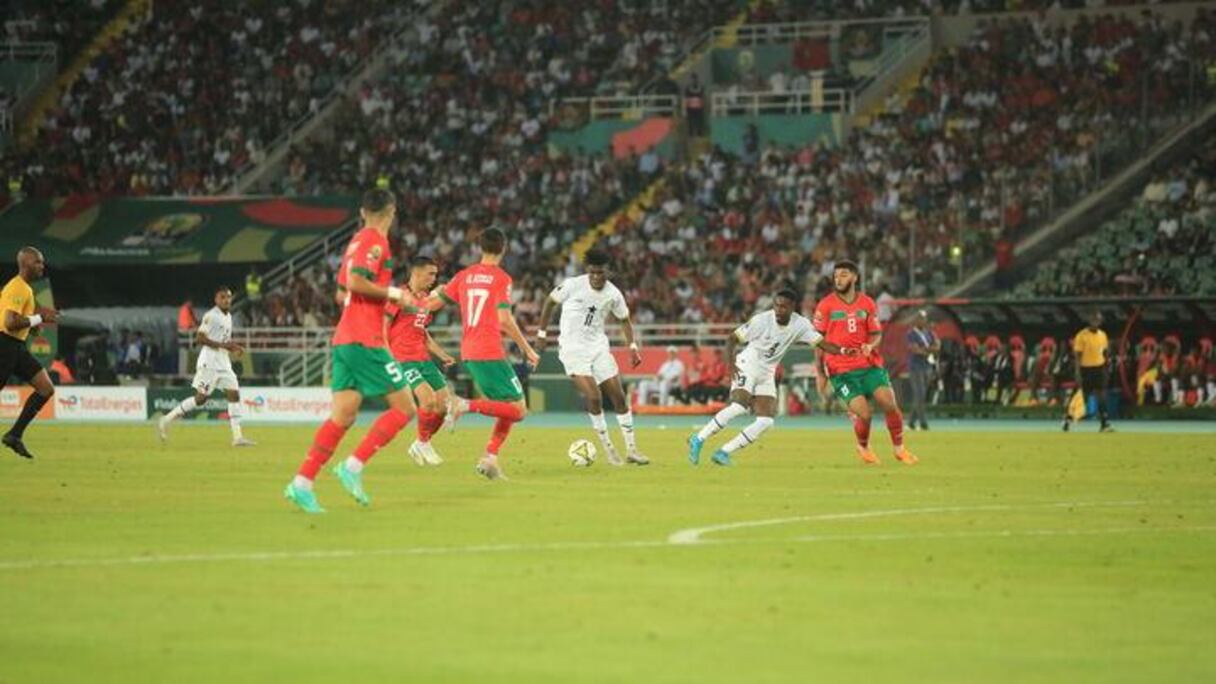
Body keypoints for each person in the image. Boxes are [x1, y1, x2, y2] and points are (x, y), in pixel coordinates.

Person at [284, 188, 417, 513]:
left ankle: (302, 483)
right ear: (391, 212)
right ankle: (352, 466)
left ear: (361, 212)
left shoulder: (356, 241)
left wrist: (369, 301)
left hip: (346, 337)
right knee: (405, 408)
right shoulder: (375, 241)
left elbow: (342, 292)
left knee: (343, 414)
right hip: (363, 339)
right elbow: (356, 284)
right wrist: (395, 295)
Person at [688, 289, 852, 466]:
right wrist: (731, 365)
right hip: (748, 364)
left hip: (767, 371)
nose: (779, 310)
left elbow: (822, 343)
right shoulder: (761, 320)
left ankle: (723, 452)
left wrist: (843, 351)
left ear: (793, 308)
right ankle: (698, 438)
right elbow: (731, 339)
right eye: (776, 305)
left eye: (783, 307)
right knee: (739, 406)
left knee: (766, 421)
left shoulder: (801, 324)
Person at [426, 227, 540, 480]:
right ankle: (463, 404)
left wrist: (422, 296)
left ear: (480, 247)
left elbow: (432, 305)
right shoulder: (501, 278)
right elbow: (504, 319)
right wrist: (528, 349)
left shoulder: (464, 275)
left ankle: (490, 458)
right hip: (489, 350)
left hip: (469, 350)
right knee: (519, 410)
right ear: (504, 248)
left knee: (507, 406)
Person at [535, 249, 648, 466]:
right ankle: (609, 449)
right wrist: (541, 334)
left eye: (600, 273)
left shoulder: (614, 294)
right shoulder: (572, 285)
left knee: (618, 397)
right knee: (594, 397)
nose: (596, 277)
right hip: (572, 349)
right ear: (588, 270)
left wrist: (632, 346)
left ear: (608, 271)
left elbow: (624, 319)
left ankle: (632, 450)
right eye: (593, 272)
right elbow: (549, 302)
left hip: (598, 348)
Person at [813, 260, 918, 465]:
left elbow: (876, 334)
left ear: (855, 277)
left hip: (869, 365)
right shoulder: (825, 305)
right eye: (836, 276)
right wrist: (820, 373)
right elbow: (817, 340)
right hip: (841, 370)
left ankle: (900, 450)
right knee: (865, 414)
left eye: (843, 275)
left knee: (890, 404)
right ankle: (863, 446)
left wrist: (870, 346)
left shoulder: (868, 303)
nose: (838, 279)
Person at [158, 287, 255, 447]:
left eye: (228, 297)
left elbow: (224, 340)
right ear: (216, 300)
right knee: (201, 399)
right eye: (222, 297)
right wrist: (223, 346)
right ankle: (166, 420)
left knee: (234, 394)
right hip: (209, 363)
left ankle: (237, 437)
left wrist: (234, 346)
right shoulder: (211, 316)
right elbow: (200, 339)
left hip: (223, 363)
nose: (226, 300)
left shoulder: (228, 316)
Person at [383, 255, 456, 467]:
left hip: (423, 358)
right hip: (403, 359)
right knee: (428, 400)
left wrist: (442, 354)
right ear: (416, 273)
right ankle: (423, 443)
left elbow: (422, 332)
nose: (433, 278)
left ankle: (422, 443)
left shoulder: (425, 300)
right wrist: (387, 359)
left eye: (435, 275)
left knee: (444, 405)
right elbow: (382, 329)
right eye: (430, 274)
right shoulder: (399, 296)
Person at [0, 247, 58, 459]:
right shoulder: (19, 288)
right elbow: (9, 323)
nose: (42, 266)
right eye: (38, 262)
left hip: (16, 346)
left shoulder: (23, 288)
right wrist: (40, 318)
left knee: (45, 388)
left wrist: (32, 326)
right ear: (25, 264)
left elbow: (13, 319)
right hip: (5, 345)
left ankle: (14, 435)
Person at [1063, 311, 1114, 432]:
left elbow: (1104, 352)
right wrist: (1077, 372)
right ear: (1089, 321)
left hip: (1099, 368)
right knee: (1082, 397)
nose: (1096, 322)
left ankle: (1104, 423)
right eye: (1093, 319)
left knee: (1101, 395)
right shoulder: (1082, 336)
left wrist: (1107, 365)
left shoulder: (1103, 335)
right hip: (1086, 369)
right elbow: (1077, 356)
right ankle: (1068, 419)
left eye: (1098, 319)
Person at [905, 310, 939, 430]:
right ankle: (923, 423)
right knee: (919, 394)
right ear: (916, 320)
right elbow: (914, 349)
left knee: (921, 395)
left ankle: (911, 422)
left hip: (927, 366)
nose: (922, 320)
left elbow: (937, 346)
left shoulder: (929, 333)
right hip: (915, 367)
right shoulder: (911, 333)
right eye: (920, 318)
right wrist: (928, 350)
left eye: (924, 318)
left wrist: (925, 349)